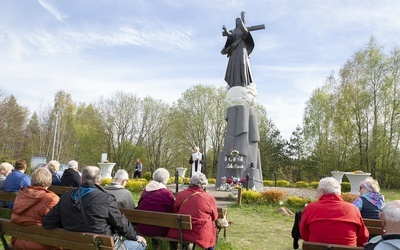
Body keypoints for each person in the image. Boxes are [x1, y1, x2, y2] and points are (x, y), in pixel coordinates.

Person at [42, 166, 147, 250]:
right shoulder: (106, 199)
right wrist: (136, 237)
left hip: (75, 246)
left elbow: (47, 222)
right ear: (100, 180)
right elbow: (121, 224)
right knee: (140, 244)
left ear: (81, 179)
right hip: (101, 246)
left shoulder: (65, 197)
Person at [300, 177, 369, 247]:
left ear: (322, 191)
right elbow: (363, 237)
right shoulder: (353, 210)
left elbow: (304, 235)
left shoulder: (310, 208)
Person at [10, 168, 60, 250]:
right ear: (49, 181)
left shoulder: (21, 194)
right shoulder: (52, 199)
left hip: (18, 240)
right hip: (41, 244)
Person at [167, 172, 218, 250]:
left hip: (180, 231)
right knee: (211, 224)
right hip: (199, 233)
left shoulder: (181, 194)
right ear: (203, 185)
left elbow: (175, 210)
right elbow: (215, 216)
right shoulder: (209, 198)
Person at [136, 168, 174, 249]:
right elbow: (172, 211)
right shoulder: (166, 193)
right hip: (159, 230)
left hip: (142, 227)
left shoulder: (145, 190)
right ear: (166, 179)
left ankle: (156, 244)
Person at [221, 12, 259, 88]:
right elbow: (230, 36)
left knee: (242, 63)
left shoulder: (244, 29)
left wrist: (242, 23)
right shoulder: (234, 30)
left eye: (239, 21)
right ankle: (234, 83)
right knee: (234, 65)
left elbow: (246, 32)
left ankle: (244, 82)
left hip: (242, 47)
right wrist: (225, 31)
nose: (238, 22)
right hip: (234, 48)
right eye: (237, 22)